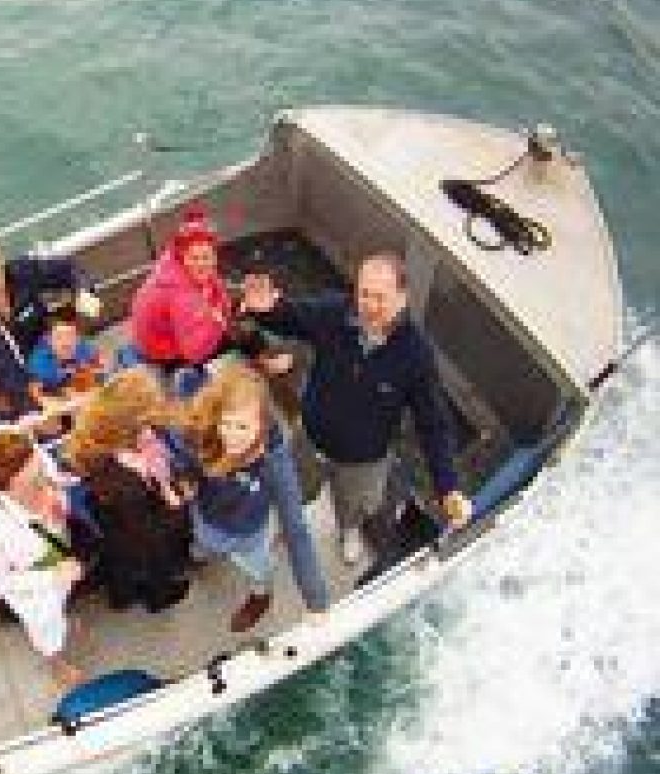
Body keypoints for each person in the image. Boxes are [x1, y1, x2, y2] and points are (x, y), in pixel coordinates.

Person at [241, 252, 473, 564]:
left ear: (402, 297)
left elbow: (433, 425)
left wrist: (448, 487)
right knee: (293, 490)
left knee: (356, 506)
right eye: (364, 293)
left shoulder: (416, 355)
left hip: (364, 461)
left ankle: (349, 529)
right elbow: (292, 316)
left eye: (380, 297)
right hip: (309, 439)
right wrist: (266, 311)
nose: (370, 305)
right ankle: (288, 525)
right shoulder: (335, 312)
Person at [172, 364, 329, 632]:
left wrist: (317, 602)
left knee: (258, 569)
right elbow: (186, 457)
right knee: (202, 544)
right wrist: (185, 481)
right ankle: (200, 554)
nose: (232, 436)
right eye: (226, 423)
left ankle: (261, 596)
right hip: (204, 519)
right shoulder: (203, 425)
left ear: (262, 425)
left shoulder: (273, 464)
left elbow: (297, 530)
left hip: (248, 535)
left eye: (243, 426)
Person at [0, 428, 90, 686]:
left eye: (39, 465)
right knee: (45, 627)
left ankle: (63, 615)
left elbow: (56, 481)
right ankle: (56, 664)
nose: (42, 478)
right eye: (34, 476)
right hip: (32, 579)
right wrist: (52, 576)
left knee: (62, 601)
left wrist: (58, 505)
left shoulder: (37, 462)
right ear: (10, 482)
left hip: (57, 545)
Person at [63, 368, 194, 612]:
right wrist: (179, 506)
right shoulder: (125, 484)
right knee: (150, 564)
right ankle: (159, 599)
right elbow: (149, 534)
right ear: (132, 425)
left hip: (112, 518)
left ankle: (121, 597)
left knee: (120, 559)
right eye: (150, 419)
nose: (155, 425)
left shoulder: (99, 436)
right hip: (137, 529)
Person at [128, 205, 283, 392]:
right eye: (195, 258)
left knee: (237, 317)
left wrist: (237, 294)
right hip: (166, 353)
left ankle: (257, 350)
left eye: (207, 256)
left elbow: (212, 282)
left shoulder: (173, 262)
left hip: (160, 336)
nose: (202, 264)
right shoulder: (182, 298)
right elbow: (194, 351)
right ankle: (267, 363)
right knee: (243, 331)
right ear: (184, 256)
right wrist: (223, 321)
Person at [0, 228, 100, 420]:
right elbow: (1, 364)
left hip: (50, 350)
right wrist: (36, 398)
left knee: (92, 400)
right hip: (15, 373)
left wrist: (84, 291)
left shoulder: (23, 271)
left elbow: (69, 269)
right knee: (45, 423)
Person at [26, 305, 106, 414]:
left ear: (78, 336)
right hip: (57, 402)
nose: (65, 343)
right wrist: (57, 402)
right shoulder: (39, 361)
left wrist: (94, 372)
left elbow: (100, 367)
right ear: (48, 339)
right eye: (59, 337)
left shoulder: (83, 347)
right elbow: (36, 394)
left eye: (70, 335)